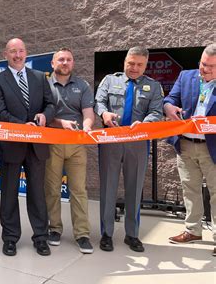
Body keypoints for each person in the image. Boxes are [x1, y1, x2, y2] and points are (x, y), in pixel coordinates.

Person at [0, 38, 55, 256]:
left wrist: (45, 116)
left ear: (26, 53)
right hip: (12, 144)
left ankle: (40, 237)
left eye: (21, 51)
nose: (17, 55)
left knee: (37, 193)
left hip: (36, 145)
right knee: (9, 193)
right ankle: (9, 238)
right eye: (12, 51)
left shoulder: (39, 77)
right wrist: (22, 126)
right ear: (5, 54)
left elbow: (51, 104)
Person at [95, 46, 163, 253]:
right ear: (125, 61)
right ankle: (106, 234)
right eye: (131, 63)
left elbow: (157, 112)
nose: (134, 68)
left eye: (139, 65)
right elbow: (98, 101)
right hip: (111, 141)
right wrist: (104, 114)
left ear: (146, 65)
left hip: (137, 143)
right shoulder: (109, 80)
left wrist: (146, 122)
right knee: (108, 187)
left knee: (134, 188)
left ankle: (132, 234)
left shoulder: (153, 86)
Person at [164, 43, 216, 257]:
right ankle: (193, 230)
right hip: (185, 145)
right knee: (190, 190)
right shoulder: (186, 76)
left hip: (212, 148)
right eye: (204, 64)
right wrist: (169, 107)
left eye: (212, 67)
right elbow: (170, 100)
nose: (206, 69)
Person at [44, 48, 95, 254]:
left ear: (73, 63)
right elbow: (42, 115)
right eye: (61, 59)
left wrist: (88, 126)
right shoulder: (44, 85)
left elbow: (88, 112)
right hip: (52, 142)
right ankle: (54, 229)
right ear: (53, 63)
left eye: (69, 60)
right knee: (52, 190)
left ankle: (82, 234)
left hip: (76, 145)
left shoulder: (82, 85)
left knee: (79, 190)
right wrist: (61, 123)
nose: (65, 63)